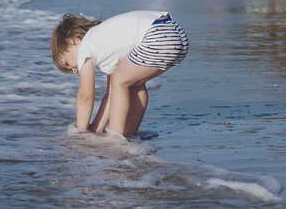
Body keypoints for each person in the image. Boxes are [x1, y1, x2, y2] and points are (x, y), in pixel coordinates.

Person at [51, 11, 189, 137]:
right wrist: (95, 128)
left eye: (67, 64)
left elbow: (85, 96)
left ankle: (115, 137)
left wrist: (80, 131)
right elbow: (111, 95)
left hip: (157, 35)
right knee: (134, 85)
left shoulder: (85, 48)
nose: (74, 70)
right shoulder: (105, 43)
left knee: (119, 81)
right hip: (176, 34)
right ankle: (129, 133)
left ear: (71, 40)